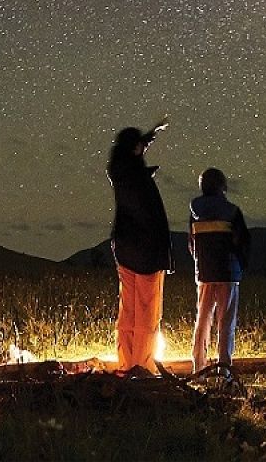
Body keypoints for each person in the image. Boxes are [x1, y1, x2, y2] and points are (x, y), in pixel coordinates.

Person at [107, 119, 172, 375]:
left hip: (124, 248)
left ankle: (126, 362)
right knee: (147, 312)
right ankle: (143, 366)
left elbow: (134, 148)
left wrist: (151, 135)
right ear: (134, 149)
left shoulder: (119, 171)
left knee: (128, 310)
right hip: (147, 252)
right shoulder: (137, 176)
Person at [188, 167, 251, 376]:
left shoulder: (194, 210)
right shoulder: (232, 211)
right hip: (228, 272)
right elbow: (242, 242)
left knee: (203, 319)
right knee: (226, 322)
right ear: (223, 186)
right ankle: (224, 370)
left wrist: (199, 261)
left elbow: (191, 243)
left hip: (204, 272)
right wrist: (240, 266)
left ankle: (199, 367)